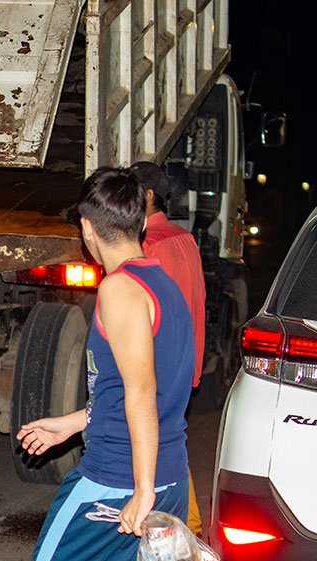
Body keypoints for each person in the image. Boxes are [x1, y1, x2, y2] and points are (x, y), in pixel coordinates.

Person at [3, 167, 193, 561]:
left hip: (115, 483)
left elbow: (140, 393)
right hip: (167, 474)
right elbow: (144, 388)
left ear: (88, 230)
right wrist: (71, 421)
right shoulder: (163, 284)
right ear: (140, 219)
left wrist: (135, 490)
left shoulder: (116, 291)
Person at [129, 161, 206, 536]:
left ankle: (184, 532)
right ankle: (182, 529)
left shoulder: (147, 245)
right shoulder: (184, 238)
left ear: (145, 196)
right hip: (182, 363)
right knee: (168, 444)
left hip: (156, 369)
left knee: (152, 449)